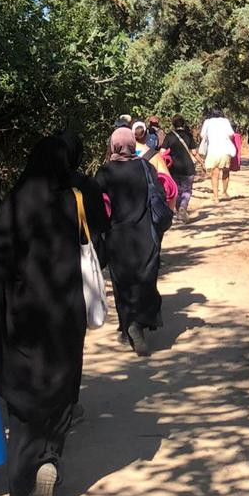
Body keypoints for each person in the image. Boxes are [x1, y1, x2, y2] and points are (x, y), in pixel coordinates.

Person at [0, 133, 108, 496]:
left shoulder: (14, 203)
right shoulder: (73, 199)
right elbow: (98, 235)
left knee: (24, 399)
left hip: (23, 316)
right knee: (62, 387)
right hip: (66, 313)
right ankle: (49, 456)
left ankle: (24, 477)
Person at [96, 126, 164, 358]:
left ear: (113, 145)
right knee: (146, 279)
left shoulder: (105, 172)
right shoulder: (145, 166)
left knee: (122, 283)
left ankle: (128, 327)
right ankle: (138, 323)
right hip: (145, 234)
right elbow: (159, 193)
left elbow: (95, 204)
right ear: (132, 144)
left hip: (117, 237)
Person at [198, 107, 238, 201]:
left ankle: (216, 197)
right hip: (225, 150)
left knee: (214, 173)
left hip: (212, 151)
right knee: (226, 171)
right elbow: (231, 134)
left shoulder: (207, 122)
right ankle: (224, 192)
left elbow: (202, 135)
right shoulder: (225, 121)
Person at [163, 114, 198, 221]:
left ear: (173, 124)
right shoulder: (188, 135)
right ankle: (183, 207)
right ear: (183, 123)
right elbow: (194, 152)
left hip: (174, 168)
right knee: (187, 190)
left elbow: (162, 152)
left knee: (177, 191)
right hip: (188, 167)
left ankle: (178, 211)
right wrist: (201, 162)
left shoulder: (169, 136)